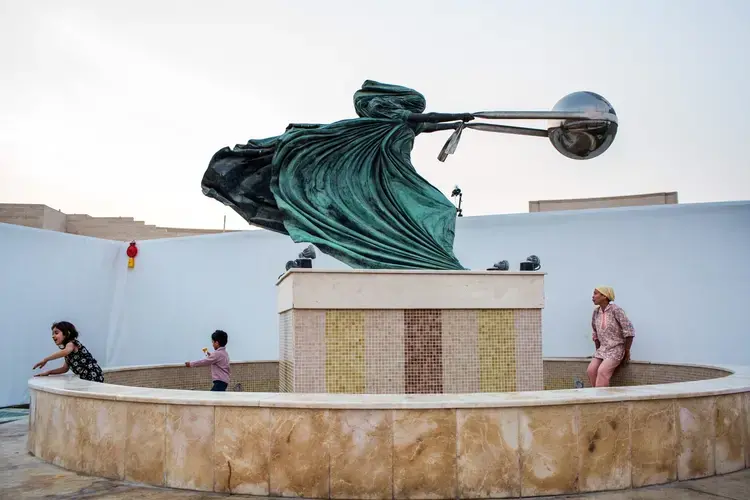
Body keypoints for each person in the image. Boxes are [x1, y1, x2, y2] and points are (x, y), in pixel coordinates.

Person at [201, 80, 472, 271]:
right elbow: (427, 118)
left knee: (440, 209)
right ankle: (426, 256)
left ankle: (432, 258)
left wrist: (457, 122)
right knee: (439, 207)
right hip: (387, 184)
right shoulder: (391, 120)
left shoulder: (405, 124)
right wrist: (460, 115)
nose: (417, 112)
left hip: (395, 182)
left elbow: (429, 123)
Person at [586, 286, 635, 387]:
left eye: (595, 293)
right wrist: (598, 351)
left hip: (616, 349)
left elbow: (629, 332)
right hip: (602, 349)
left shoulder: (616, 310)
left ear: (605, 296)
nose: (593, 296)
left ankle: (602, 400)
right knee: (591, 370)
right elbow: (595, 333)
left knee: (602, 372)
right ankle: (595, 397)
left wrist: (627, 352)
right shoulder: (596, 312)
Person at [32, 321, 105, 382]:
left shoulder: (71, 344)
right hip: (87, 377)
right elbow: (64, 368)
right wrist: (49, 372)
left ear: (67, 333)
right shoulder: (68, 352)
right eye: (52, 334)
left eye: (56, 333)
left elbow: (65, 352)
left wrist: (46, 359)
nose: (53, 336)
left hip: (93, 375)